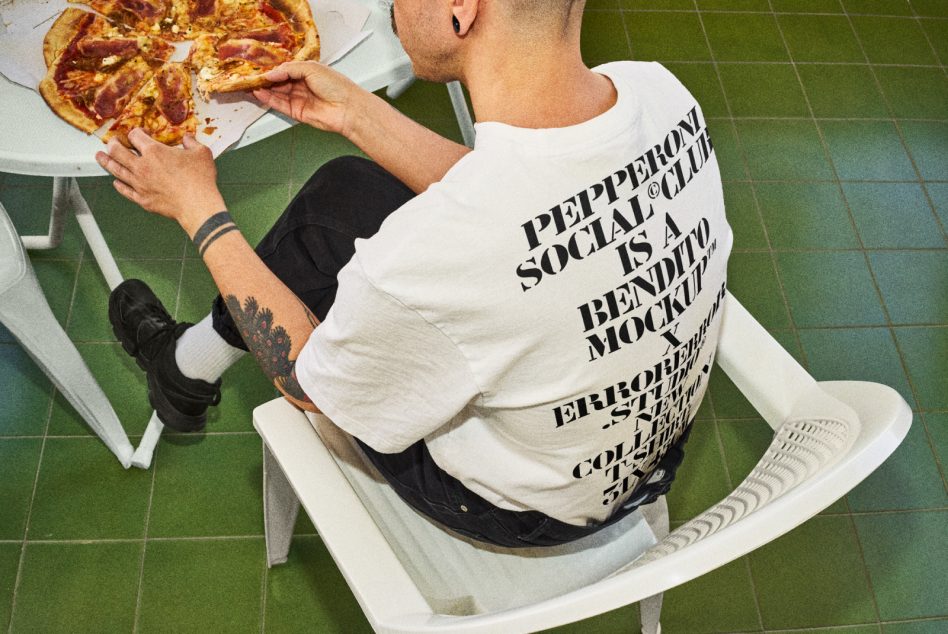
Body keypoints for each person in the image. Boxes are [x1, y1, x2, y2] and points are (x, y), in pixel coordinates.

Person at [96, 0, 732, 548]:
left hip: (523, 508)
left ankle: (183, 367)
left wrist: (199, 209)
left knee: (330, 312)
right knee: (344, 192)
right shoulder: (659, 92)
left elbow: (310, 382)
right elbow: (529, 202)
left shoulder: (432, 252)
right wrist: (357, 113)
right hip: (640, 451)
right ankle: (185, 366)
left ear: (463, 6)